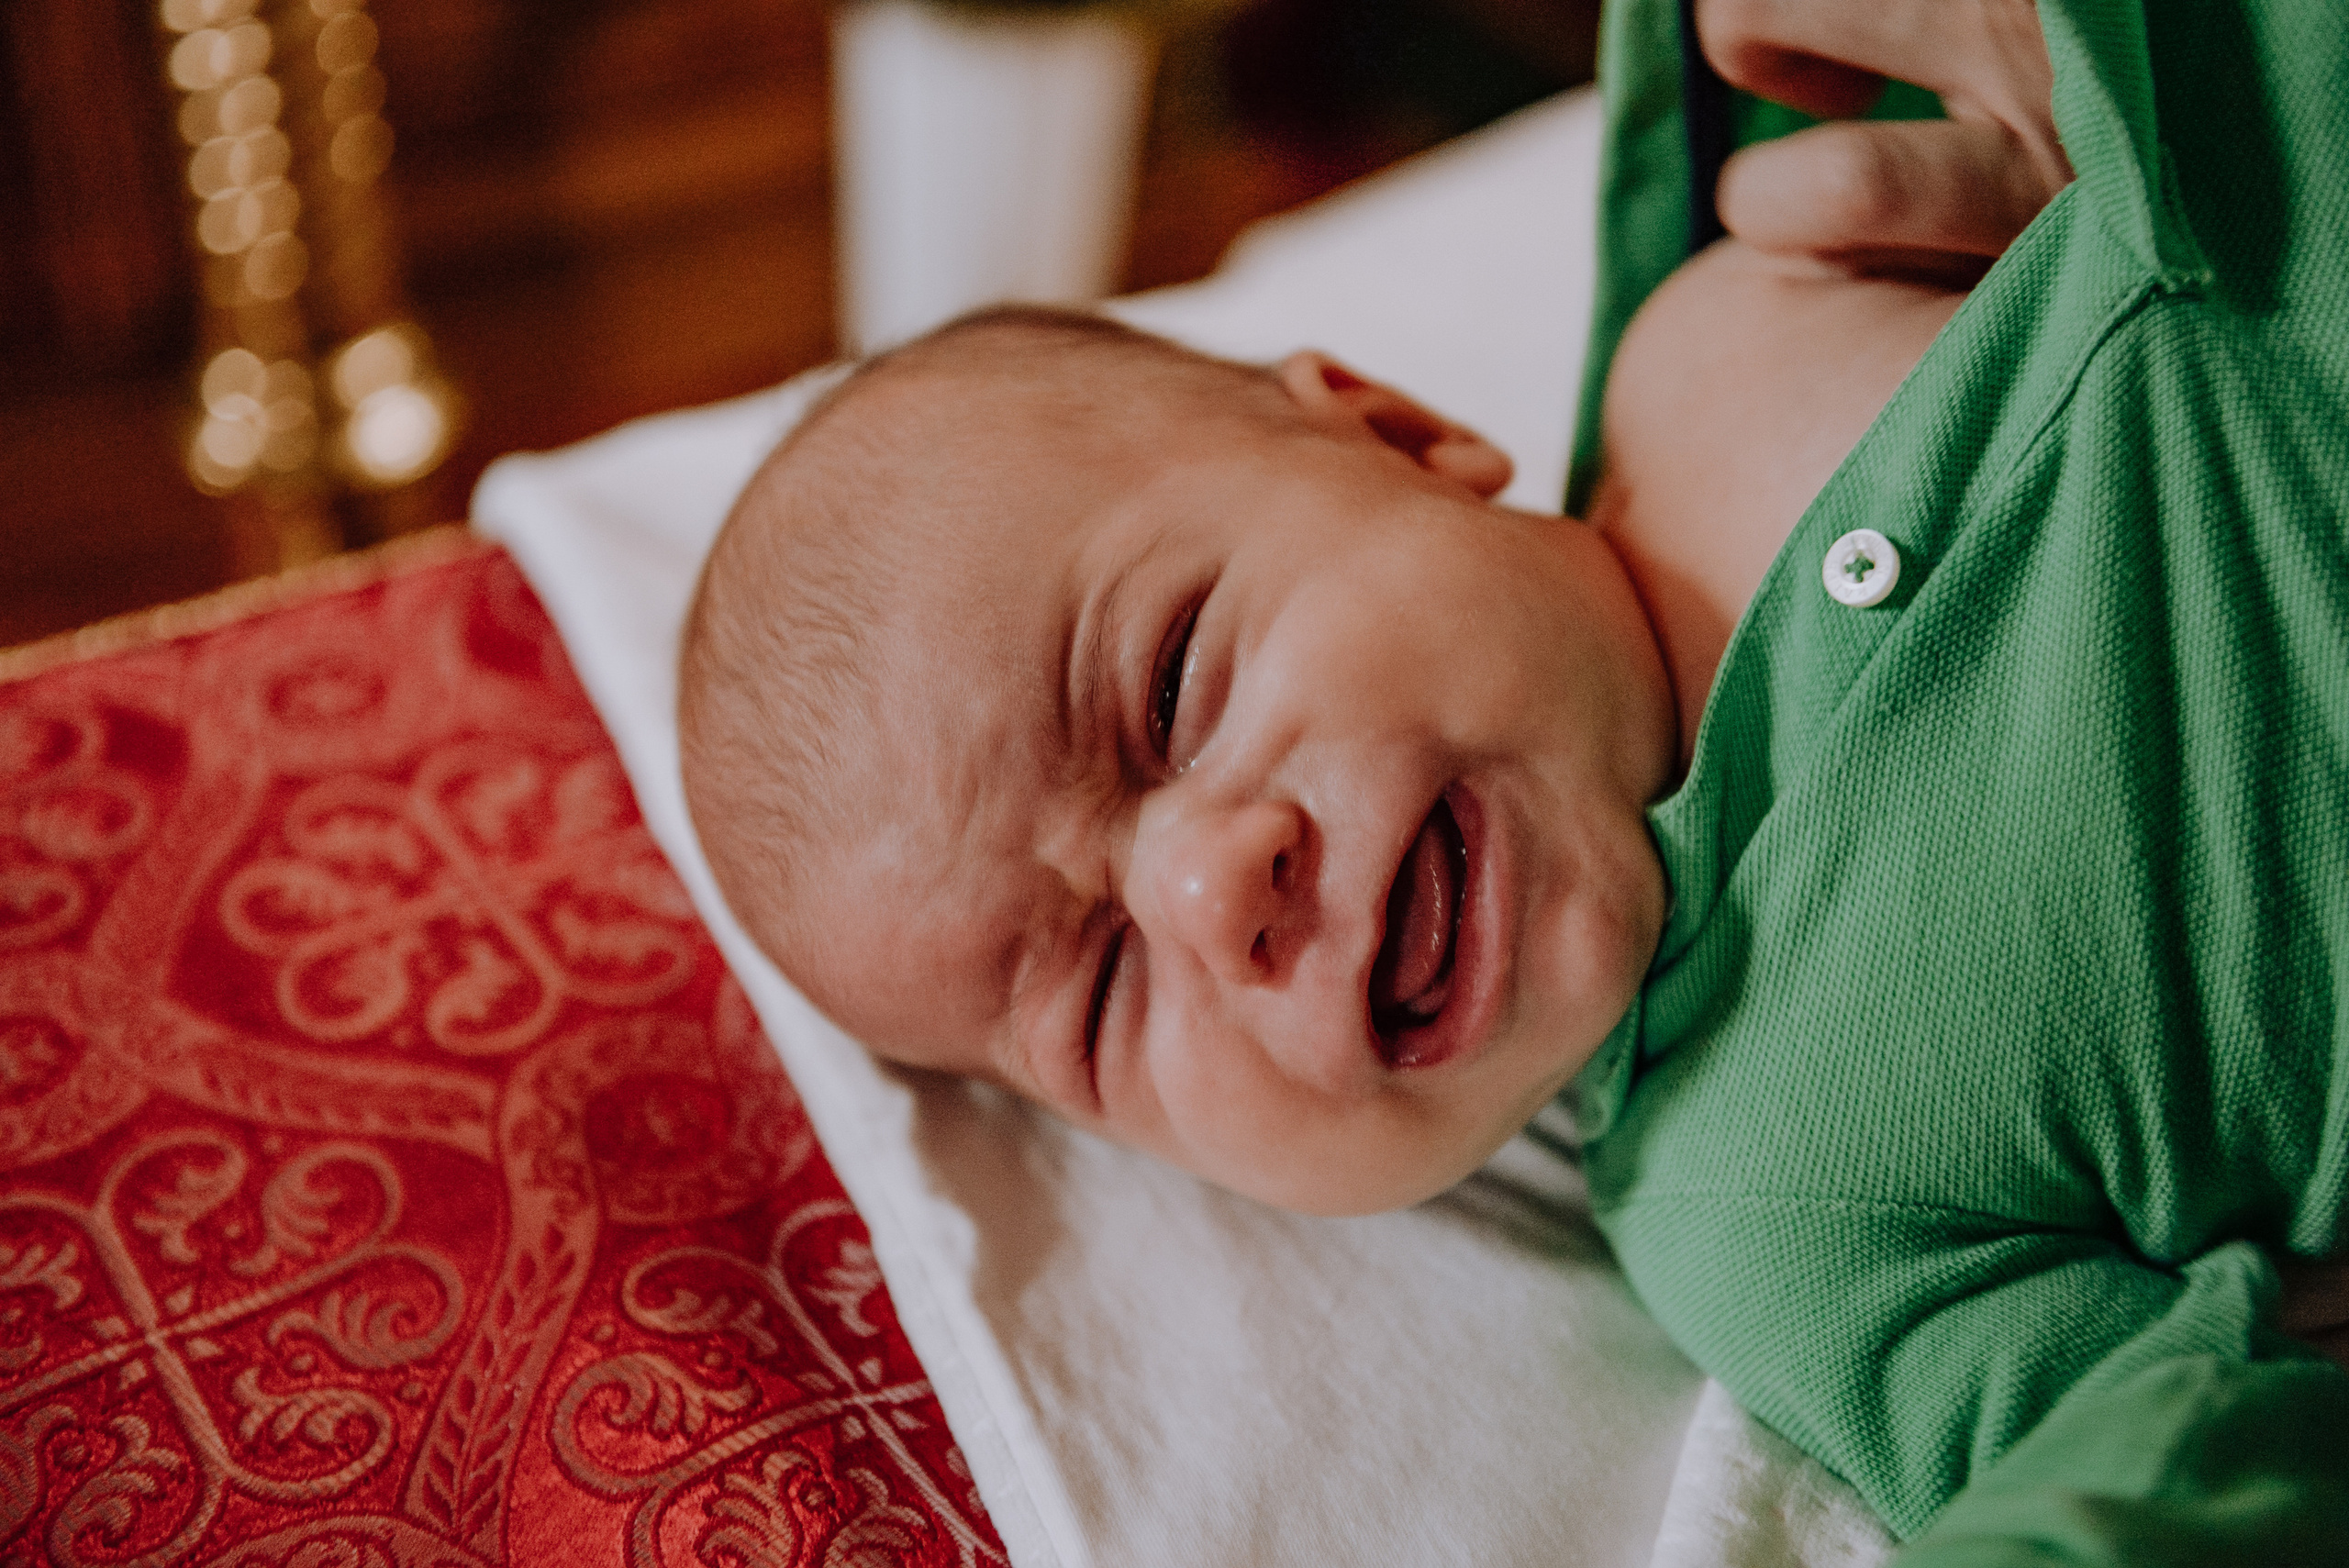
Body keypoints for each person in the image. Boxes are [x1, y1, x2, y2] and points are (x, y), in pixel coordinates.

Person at [679, 0, 2349, 1557]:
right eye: (1103, 996)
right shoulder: (1768, 1212)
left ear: (1398, 434)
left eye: (1177, 680)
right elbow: (2158, 1469)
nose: (1207, 893)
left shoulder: (1744, 287)